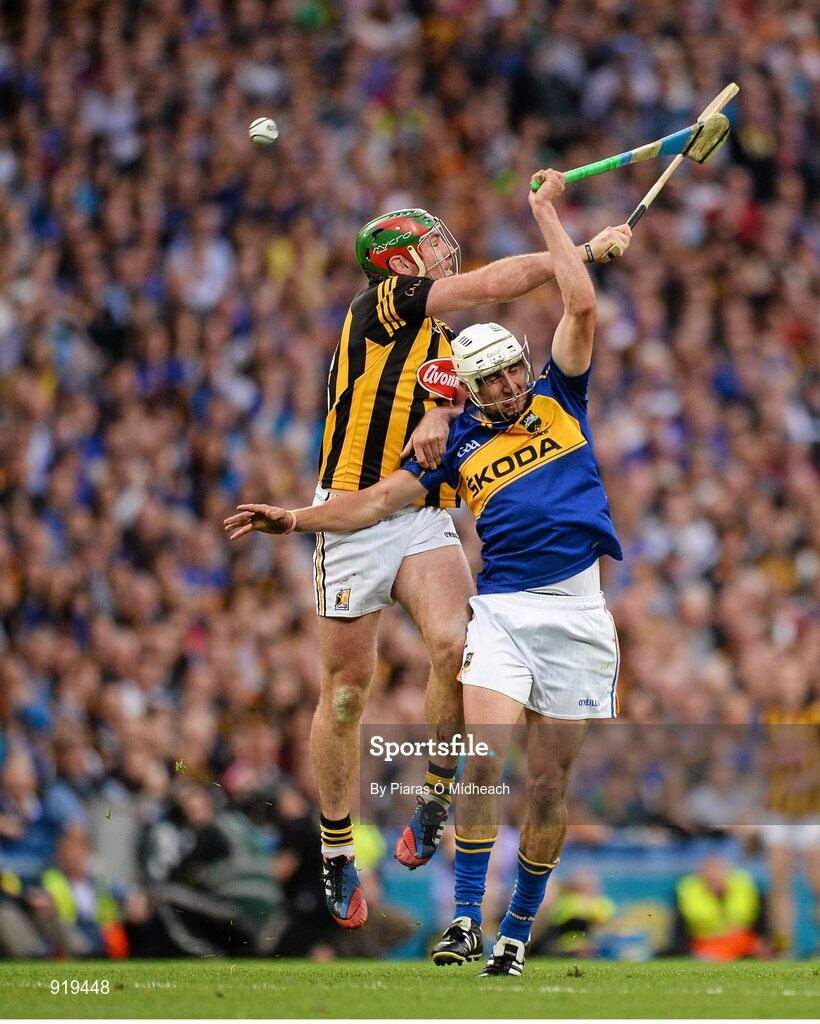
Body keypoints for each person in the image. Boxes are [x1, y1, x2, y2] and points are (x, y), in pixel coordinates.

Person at [225, 168, 631, 976]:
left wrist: (444, 416)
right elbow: (493, 285)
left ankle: (439, 791)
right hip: (352, 505)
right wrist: (578, 248)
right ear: (399, 264)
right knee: (347, 689)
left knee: (457, 643)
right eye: (430, 246)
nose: (445, 252)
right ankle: (338, 847)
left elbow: (456, 396)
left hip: (413, 510)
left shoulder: (451, 348)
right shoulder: (380, 303)